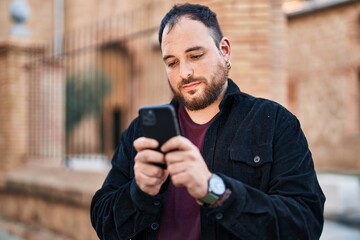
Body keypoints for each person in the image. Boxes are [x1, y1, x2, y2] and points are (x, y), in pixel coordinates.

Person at [90, 3, 325, 240]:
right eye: (172, 62)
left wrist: (214, 190)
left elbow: (305, 224)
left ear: (225, 50)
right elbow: (103, 221)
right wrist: (139, 193)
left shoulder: (274, 123)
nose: (185, 72)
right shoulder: (140, 131)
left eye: (196, 55)